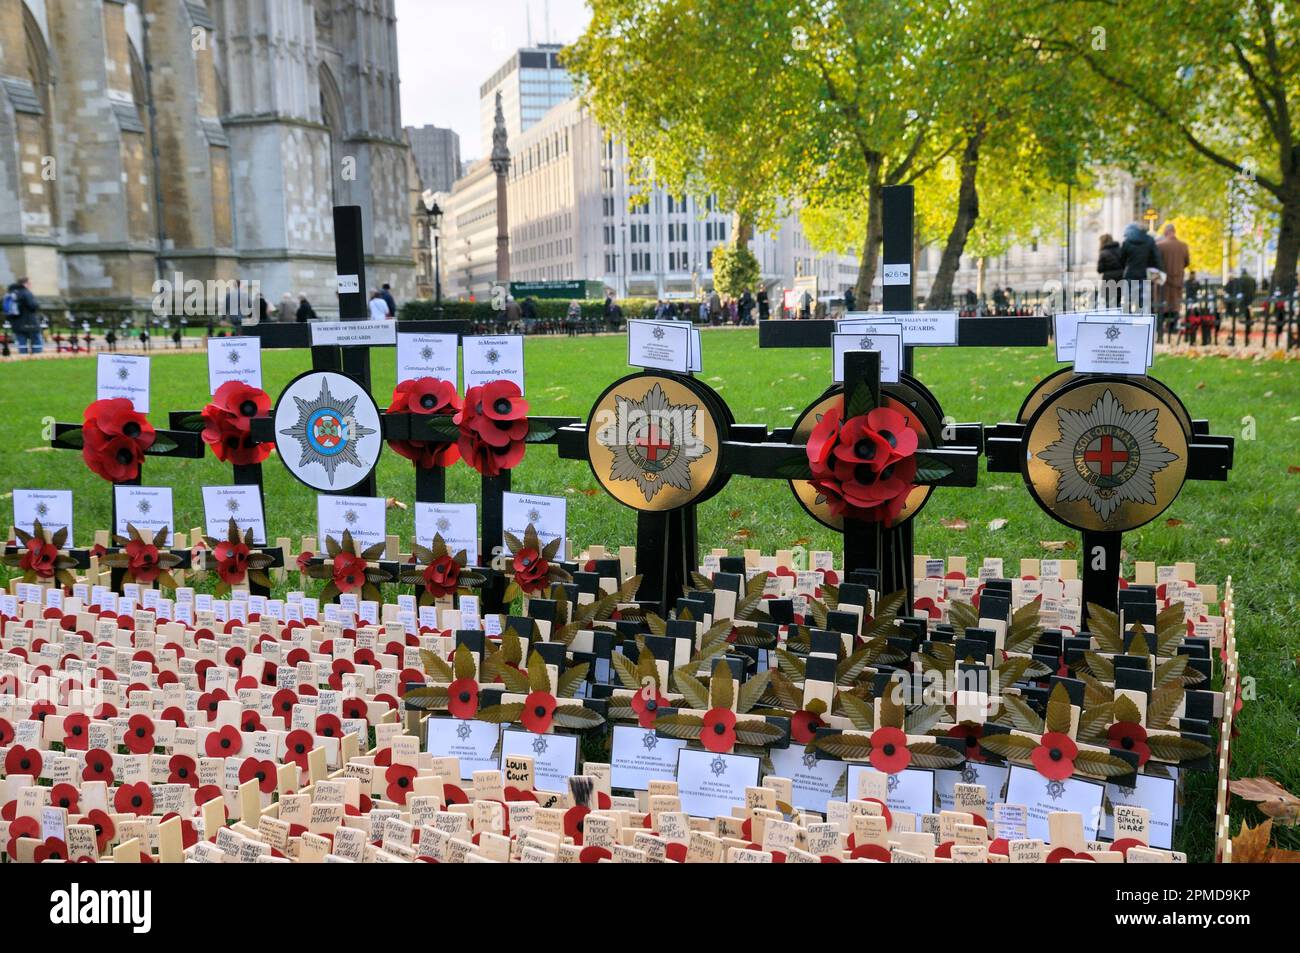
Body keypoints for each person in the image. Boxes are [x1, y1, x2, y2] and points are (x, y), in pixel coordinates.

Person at [1156, 223, 1190, 341]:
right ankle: (1173, 328)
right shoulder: (1183, 246)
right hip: (1177, 279)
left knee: (1162, 304)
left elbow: (1157, 263)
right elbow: (1187, 262)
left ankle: (1160, 328)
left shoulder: (1159, 246)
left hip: (1164, 280)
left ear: (1166, 233)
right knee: (1175, 304)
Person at [1119, 222, 1163, 312]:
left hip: (1130, 275)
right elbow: (1156, 258)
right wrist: (1158, 272)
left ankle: (1128, 323)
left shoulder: (1127, 242)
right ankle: (1143, 323)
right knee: (1144, 303)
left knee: (1128, 302)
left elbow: (1121, 260)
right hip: (1145, 275)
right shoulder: (1150, 240)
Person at [6, 278, 43, 354]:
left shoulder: (11, 293)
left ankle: (22, 357)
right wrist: (37, 304)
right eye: (29, 283)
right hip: (30, 322)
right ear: (24, 284)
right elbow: (33, 306)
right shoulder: (26, 292)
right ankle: (37, 358)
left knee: (21, 343)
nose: (30, 285)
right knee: (36, 341)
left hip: (16, 323)